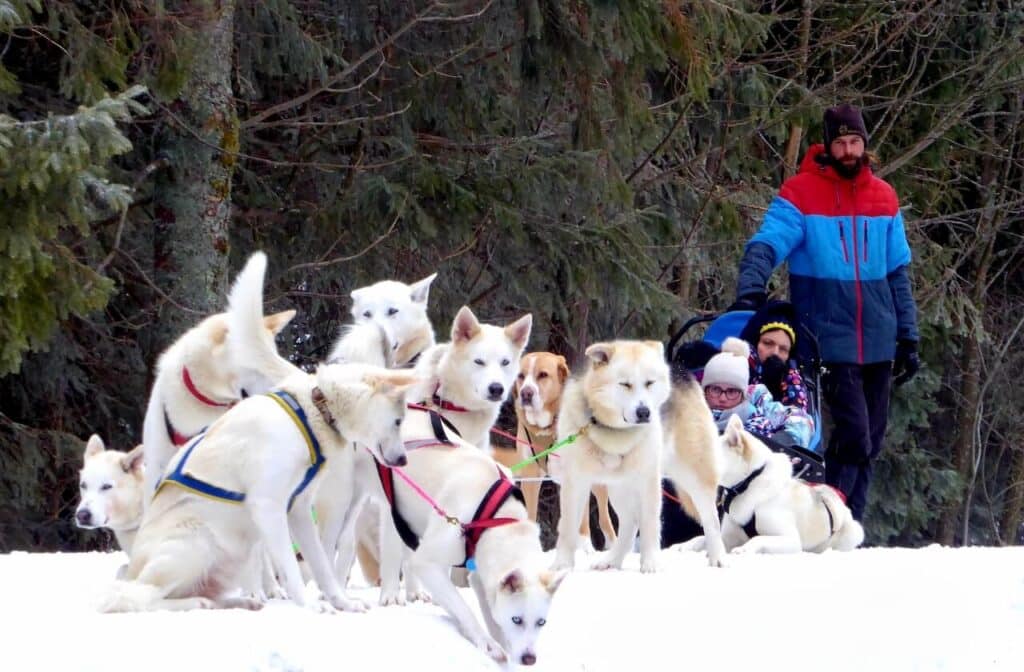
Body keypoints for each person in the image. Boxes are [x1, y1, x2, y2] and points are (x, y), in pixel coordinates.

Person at [730, 103, 921, 522]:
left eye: (855, 142)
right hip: (826, 338)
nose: (849, 150)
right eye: (841, 143)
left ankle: (850, 528)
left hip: (879, 338)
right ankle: (829, 520)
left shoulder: (884, 197)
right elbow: (766, 244)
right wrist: (750, 289)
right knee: (853, 435)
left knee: (871, 443)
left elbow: (898, 273)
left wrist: (908, 335)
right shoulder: (801, 193)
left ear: (865, 144)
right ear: (828, 146)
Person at [738, 300, 808, 411]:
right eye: (767, 343)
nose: (775, 352)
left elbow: (797, 416)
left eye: (783, 349)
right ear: (756, 343)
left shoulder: (792, 380)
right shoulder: (737, 364)